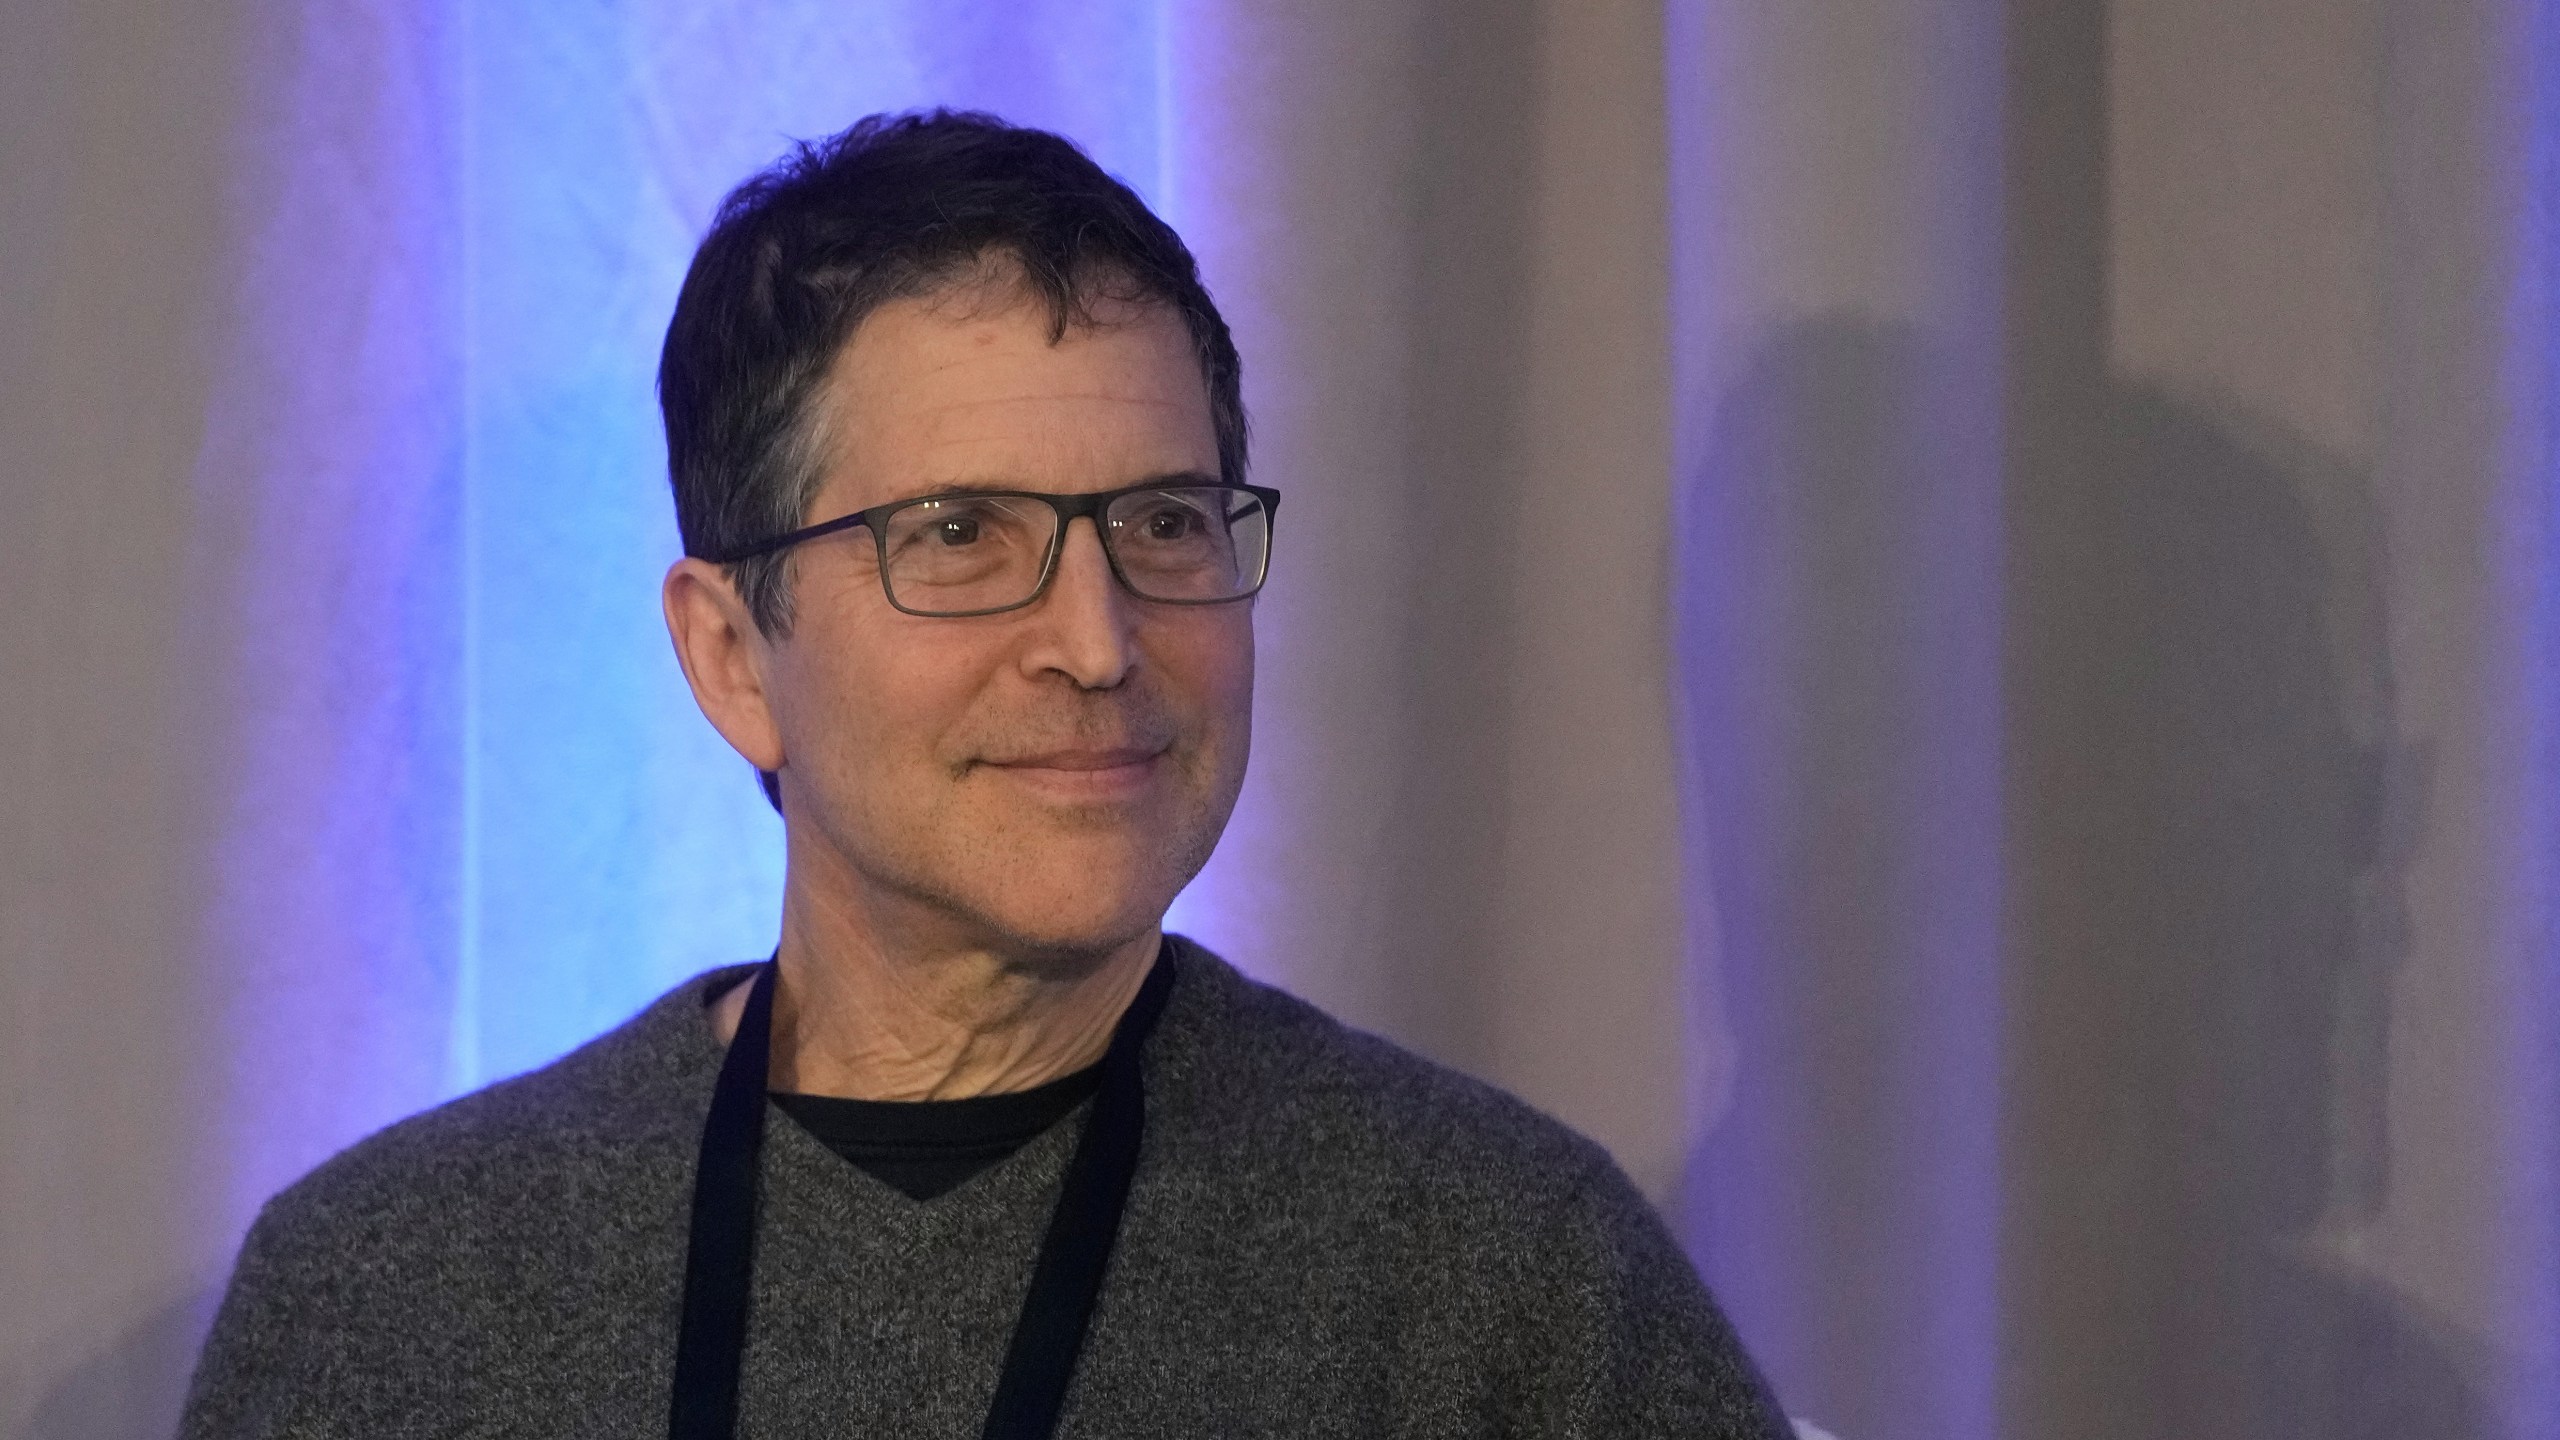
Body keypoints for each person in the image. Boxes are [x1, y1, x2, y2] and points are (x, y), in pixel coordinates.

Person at [180, 109, 1793, 1439]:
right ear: (734, 657)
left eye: (1164, 522)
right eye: (960, 534)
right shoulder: (390, 1299)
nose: (1097, 641)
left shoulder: (1505, 1281)